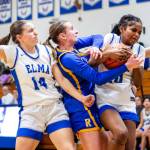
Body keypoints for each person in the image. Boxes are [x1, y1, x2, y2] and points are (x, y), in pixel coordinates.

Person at [45, 20, 142, 150]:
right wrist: (126, 66)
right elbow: (98, 78)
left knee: (109, 143)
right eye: (72, 29)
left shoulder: (73, 45)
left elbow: (97, 37)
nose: (77, 31)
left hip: (90, 102)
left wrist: (97, 48)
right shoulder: (68, 58)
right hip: (81, 107)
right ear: (63, 36)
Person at [0, 20, 96, 150]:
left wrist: (81, 98)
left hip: (54, 108)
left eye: (35, 30)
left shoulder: (46, 50)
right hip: (31, 111)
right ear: (19, 37)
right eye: (31, 31)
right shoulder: (13, 53)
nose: (36, 33)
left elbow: (61, 80)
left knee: (68, 148)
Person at [92, 14, 145, 150]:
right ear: (122, 29)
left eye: (139, 32)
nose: (137, 34)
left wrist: (137, 66)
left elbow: (138, 83)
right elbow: (94, 63)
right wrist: (109, 54)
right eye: (133, 30)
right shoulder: (110, 38)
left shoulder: (139, 49)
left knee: (130, 147)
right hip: (105, 97)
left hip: (126, 101)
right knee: (121, 134)